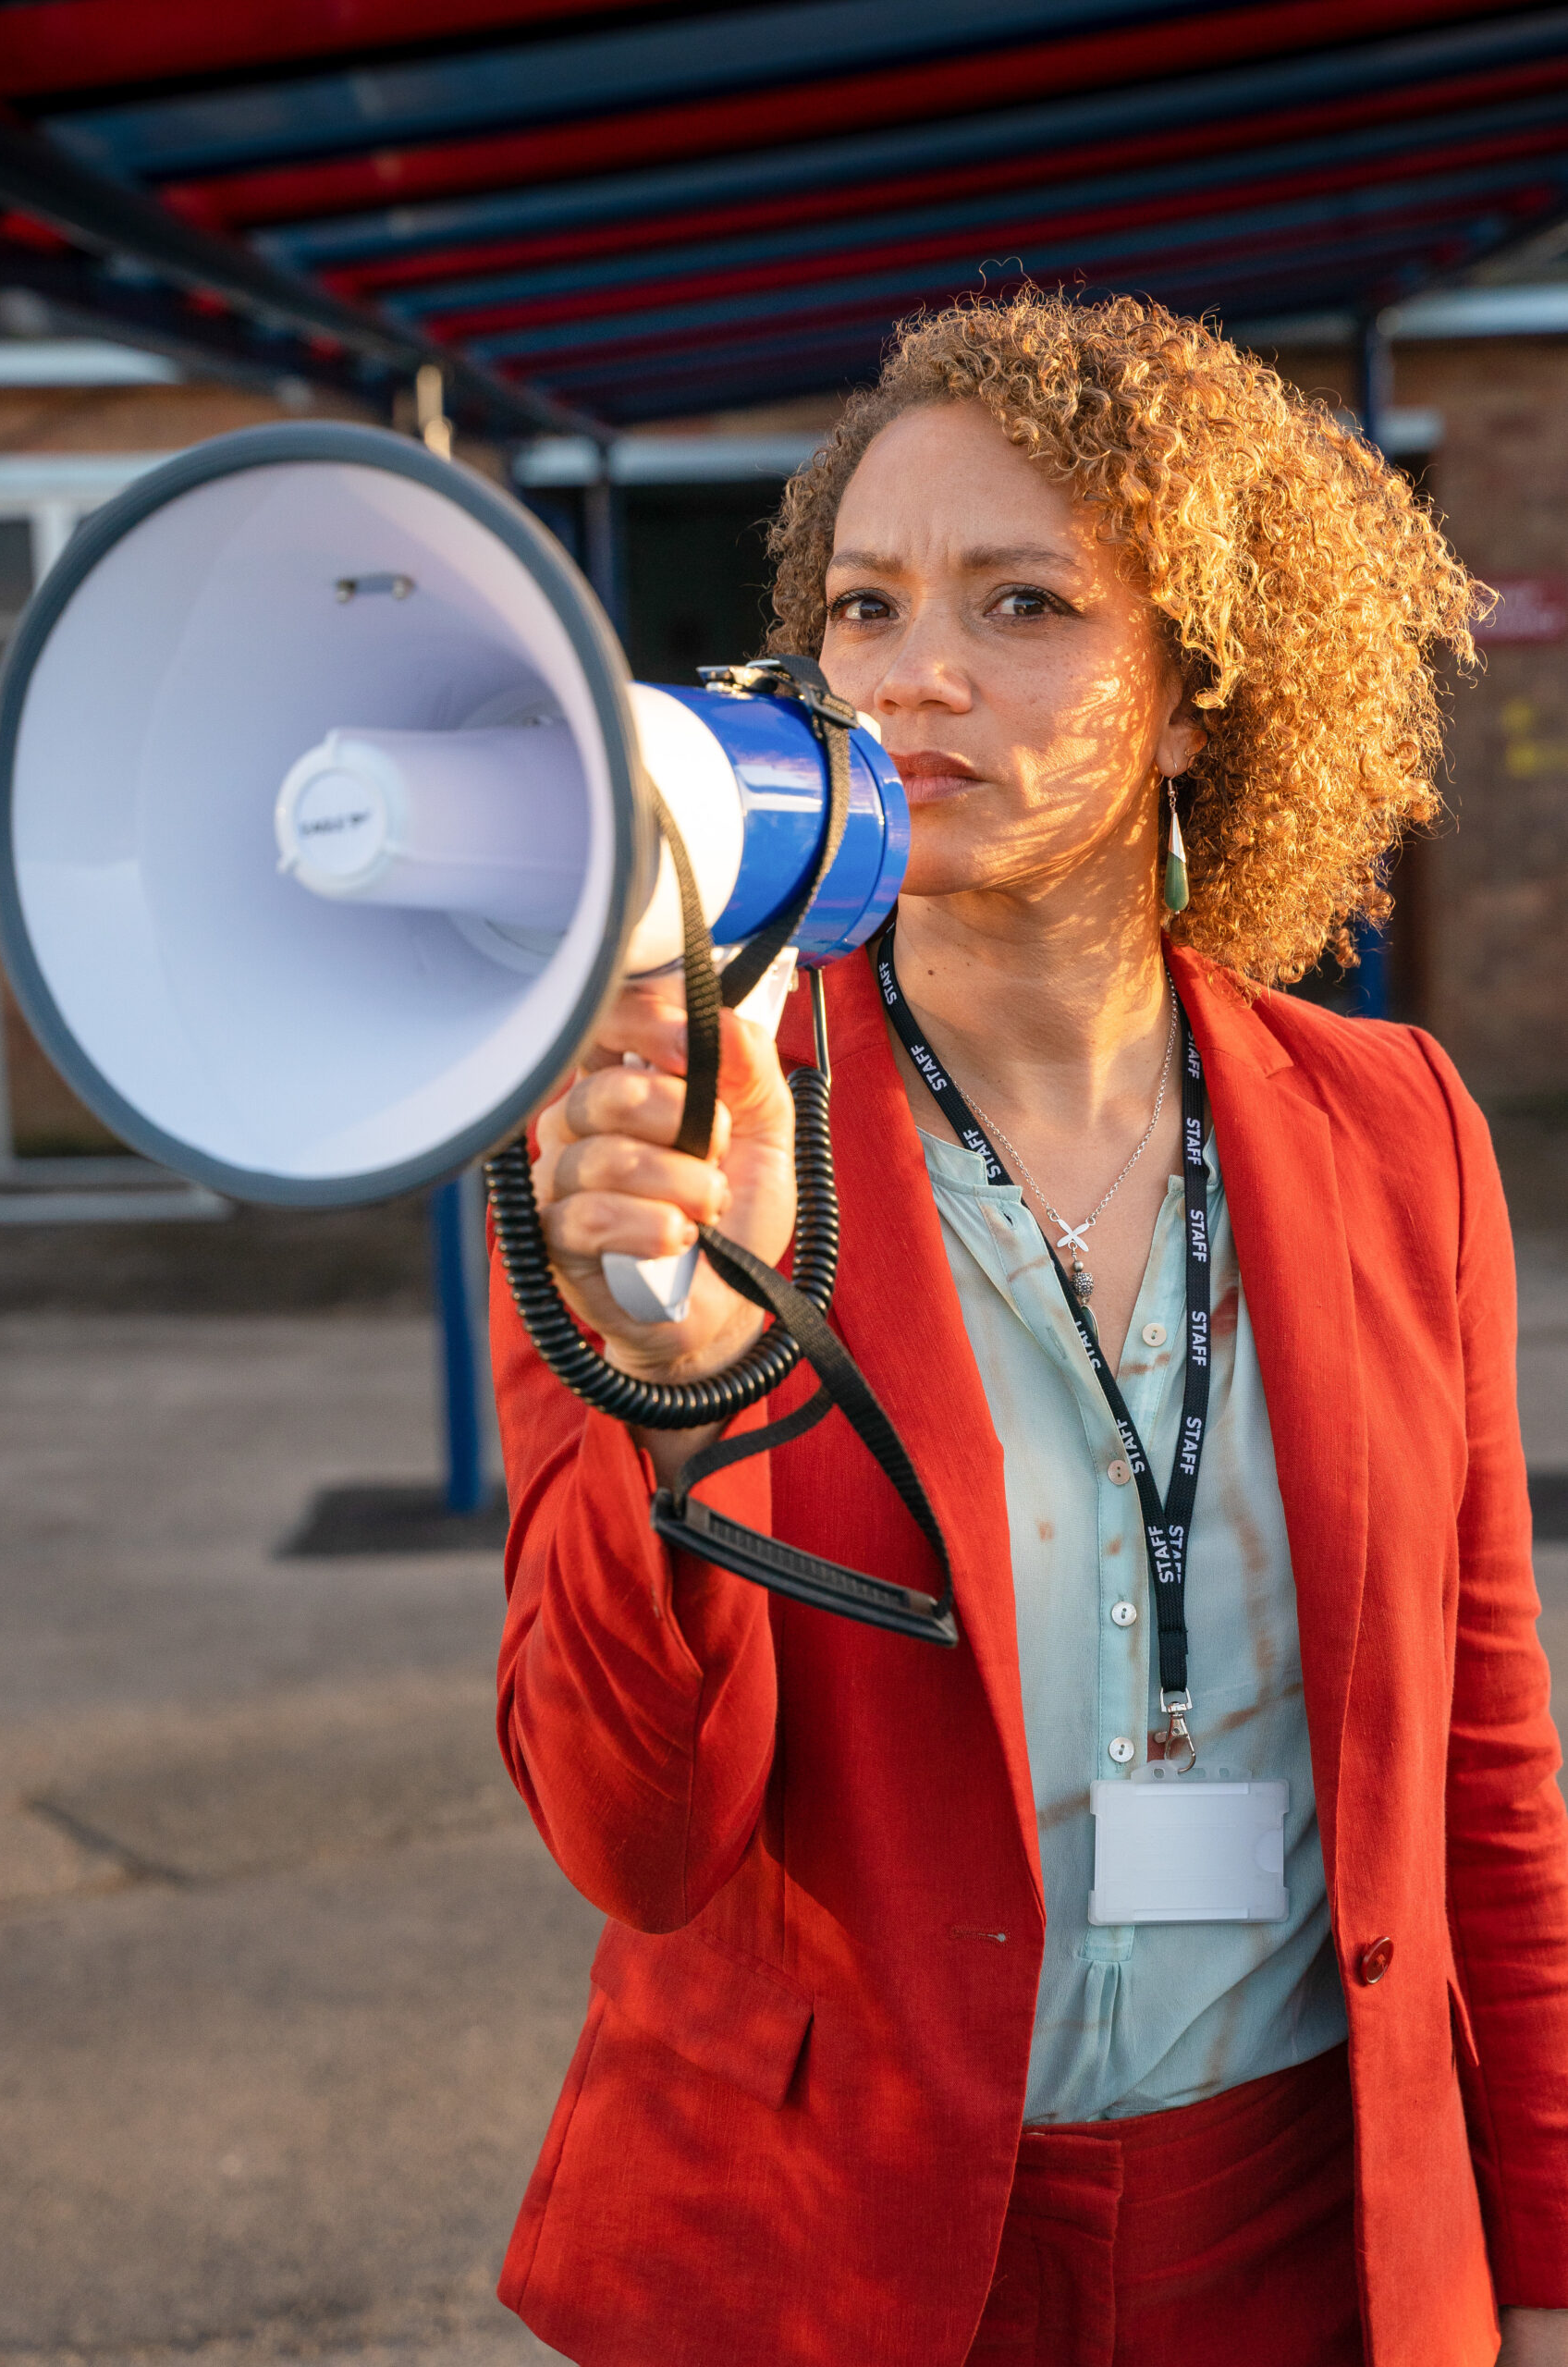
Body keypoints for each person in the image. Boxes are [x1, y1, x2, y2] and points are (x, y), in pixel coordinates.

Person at [488, 291, 1568, 2366]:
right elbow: (634, 1838)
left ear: (1193, 697)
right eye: (866, 607)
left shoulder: (1397, 1127)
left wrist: (1542, 2259)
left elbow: (1486, 1759)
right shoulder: (665, 1125)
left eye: (1025, 602)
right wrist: (687, 1382)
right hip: (838, 2258)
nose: (916, 674)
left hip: (1313, 2233)